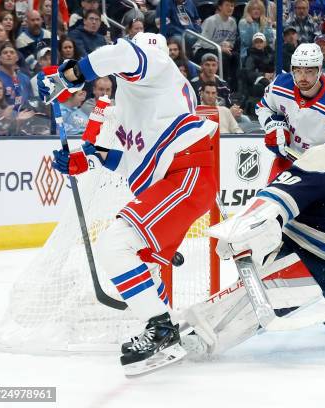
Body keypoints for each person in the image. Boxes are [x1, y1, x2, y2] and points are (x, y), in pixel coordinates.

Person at [38, 32, 218, 376]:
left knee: (115, 243)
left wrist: (70, 76)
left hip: (188, 172)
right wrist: (85, 159)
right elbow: (130, 163)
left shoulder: (159, 67)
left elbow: (121, 55)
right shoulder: (139, 103)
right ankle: (167, 325)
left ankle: (161, 329)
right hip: (177, 178)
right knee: (144, 262)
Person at [177, 105, 325, 360]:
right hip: (305, 246)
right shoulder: (319, 159)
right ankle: (197, 335)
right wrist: (243, 227)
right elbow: (275, 196)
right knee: (272, 296)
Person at [255, 43, 325, 182]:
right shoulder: (280, 85)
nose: (303, 77)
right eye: (298, 71)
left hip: (321, 168)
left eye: (309, 71)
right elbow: (263, 107)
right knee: (273, 200)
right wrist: (273, 126)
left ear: (320, 70)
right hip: (286, 160)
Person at [192, 0, 238, 88]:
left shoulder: (233, 22)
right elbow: (203, 41)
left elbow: (232, 40)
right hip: (202, 49)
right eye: (227, 5)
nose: (230, 8)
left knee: (235, 56)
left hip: (220, 49)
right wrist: (219, 48)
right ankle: (221, 86)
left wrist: (229, 44)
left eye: (232, 6)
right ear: (220, 7)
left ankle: (234, 88)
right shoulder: (210, 21)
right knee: (222, 57)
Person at [238, 0, 274, 64]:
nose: (256, 11)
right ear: (249, 11)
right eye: (253, 9)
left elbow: (270, 40)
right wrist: (251, 24)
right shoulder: (243, 22)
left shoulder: (265, 22)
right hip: (248, 54)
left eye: (258, 9)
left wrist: (268, 26)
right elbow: (248, 42)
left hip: (263, 53)